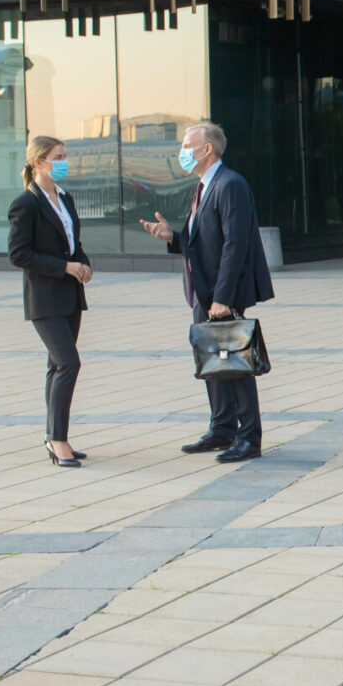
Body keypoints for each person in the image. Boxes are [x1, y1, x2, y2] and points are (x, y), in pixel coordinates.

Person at [139, 122, 274, 463]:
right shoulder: (203, 187)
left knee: (235, 362)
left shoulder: (230, 185)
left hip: (221, 295)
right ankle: (222, 429)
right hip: (204, 292)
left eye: (188, 146)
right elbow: (200, 242)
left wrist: (223, 297)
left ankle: (249, 437)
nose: (182, 152)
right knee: (212, 363)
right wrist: (172, 237)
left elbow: (235, 245)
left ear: (207, 149)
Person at [7, 135, 93, 468]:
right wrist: (63, 267)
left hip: (70, 295)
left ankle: (52, 436)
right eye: (58, 156)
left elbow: (74, 243)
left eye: (64, 155)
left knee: (57, 365)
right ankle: (59, 440)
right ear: (39, 162)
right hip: (44, 299)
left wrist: (82, 263)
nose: (63, 161)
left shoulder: (65, 198)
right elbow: (18, 254)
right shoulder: (26, 203)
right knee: (69, 362)